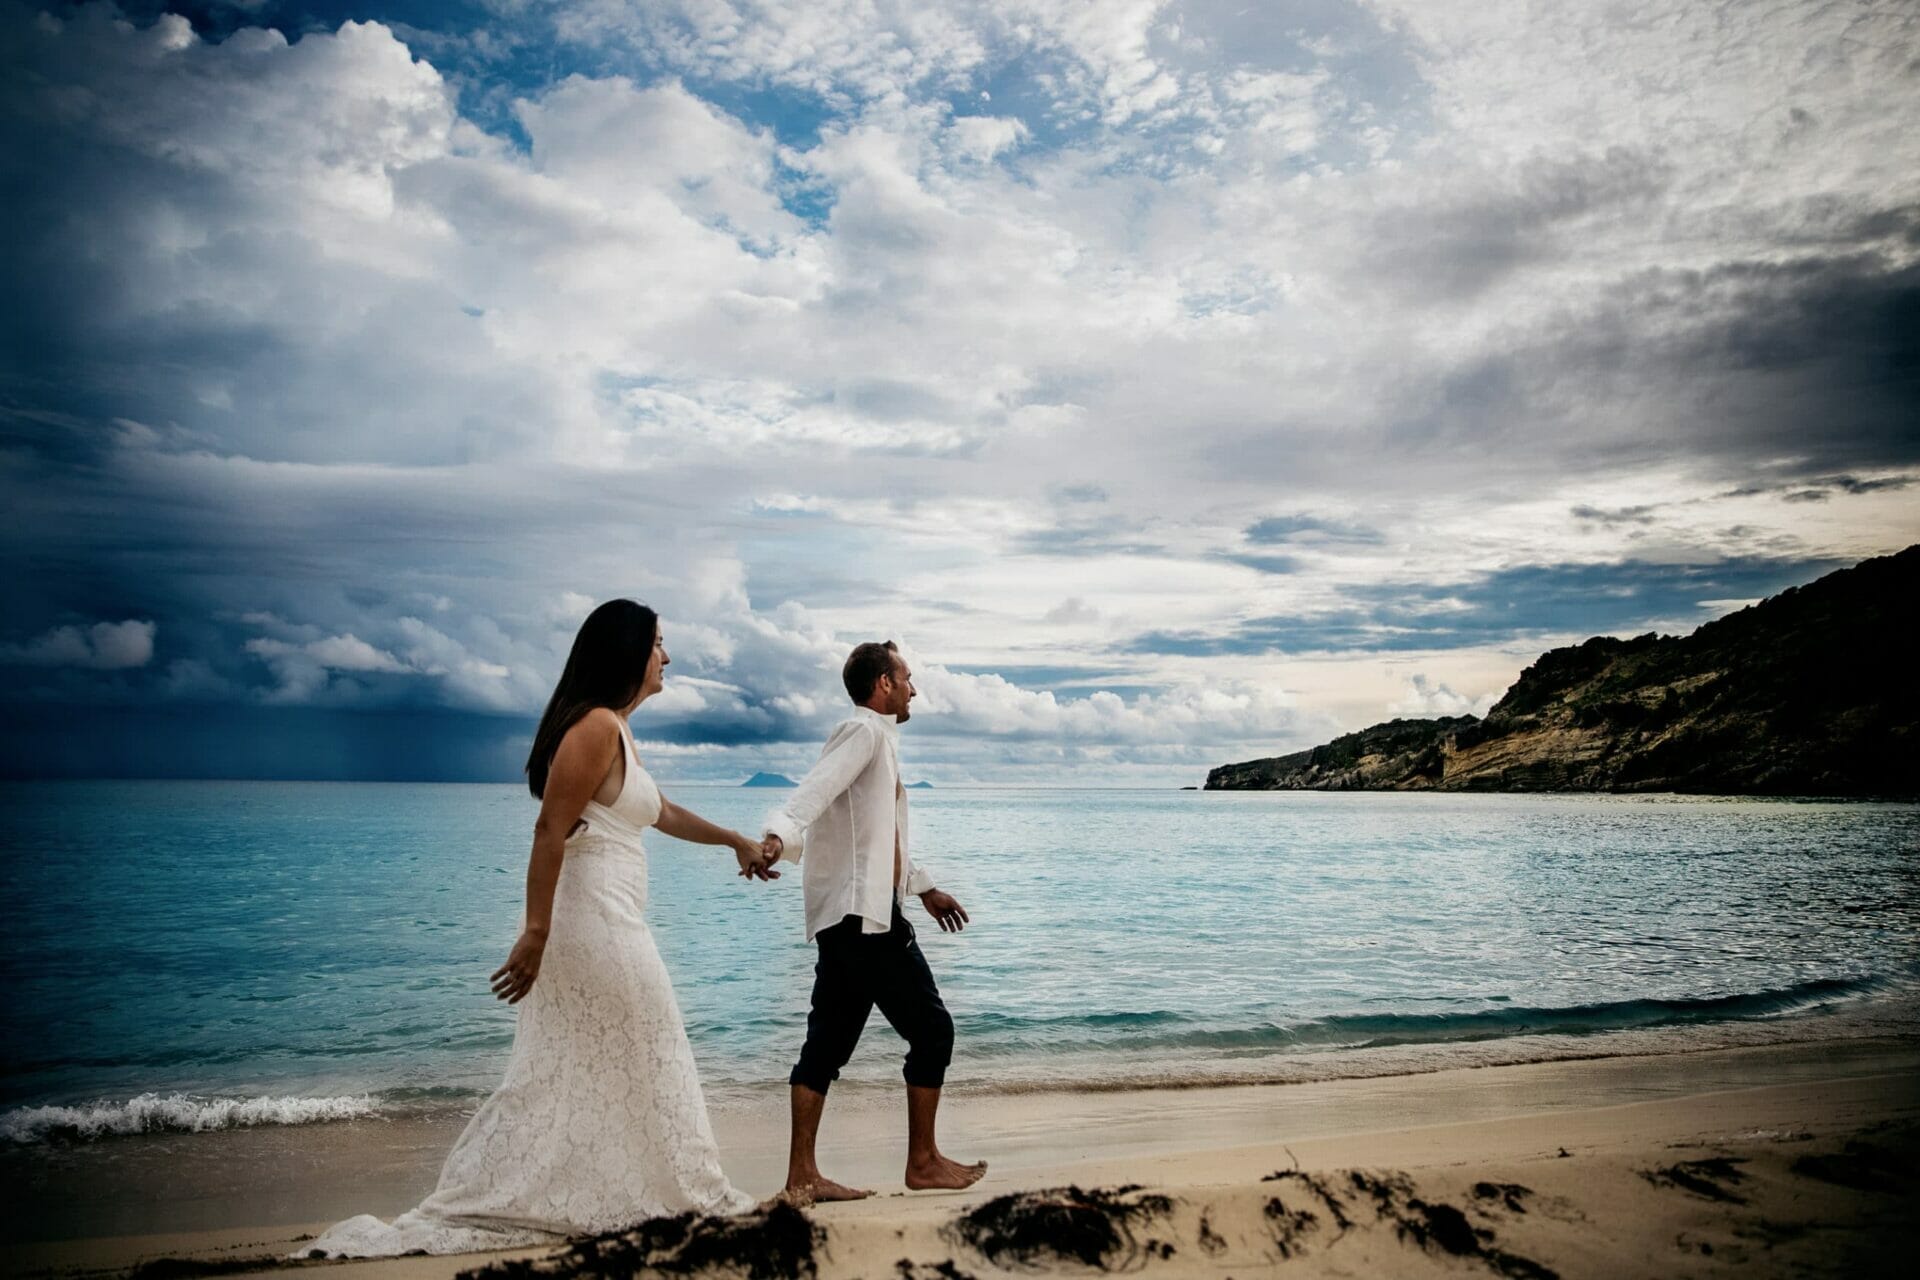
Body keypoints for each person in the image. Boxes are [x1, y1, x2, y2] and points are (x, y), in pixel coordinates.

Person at [305, 600, 769, 1257]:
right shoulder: (596, 726)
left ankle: (636, 1187)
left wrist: (733, 840)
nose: (667, 657)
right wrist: (536, 932)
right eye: (659, 644)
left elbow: (658, 809)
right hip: (592, 925)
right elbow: (549, 830)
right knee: (651, 1043)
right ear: (627, 652)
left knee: (596, 1063)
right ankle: (682, 1191)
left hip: (613, 918)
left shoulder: (619, 731)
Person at [758, 640, 986, 1202]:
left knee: (826, 1047)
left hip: (853, 920)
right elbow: (810, 795)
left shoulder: (877, 740)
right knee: (933, 1030)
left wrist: (924, 886)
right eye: (907, 678)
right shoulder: (863, 732)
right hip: (866, 923)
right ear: (883, 684)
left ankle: (802, 1177)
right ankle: (923, 1162)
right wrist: (776, 836)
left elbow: (877, 840)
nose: (914, 689)